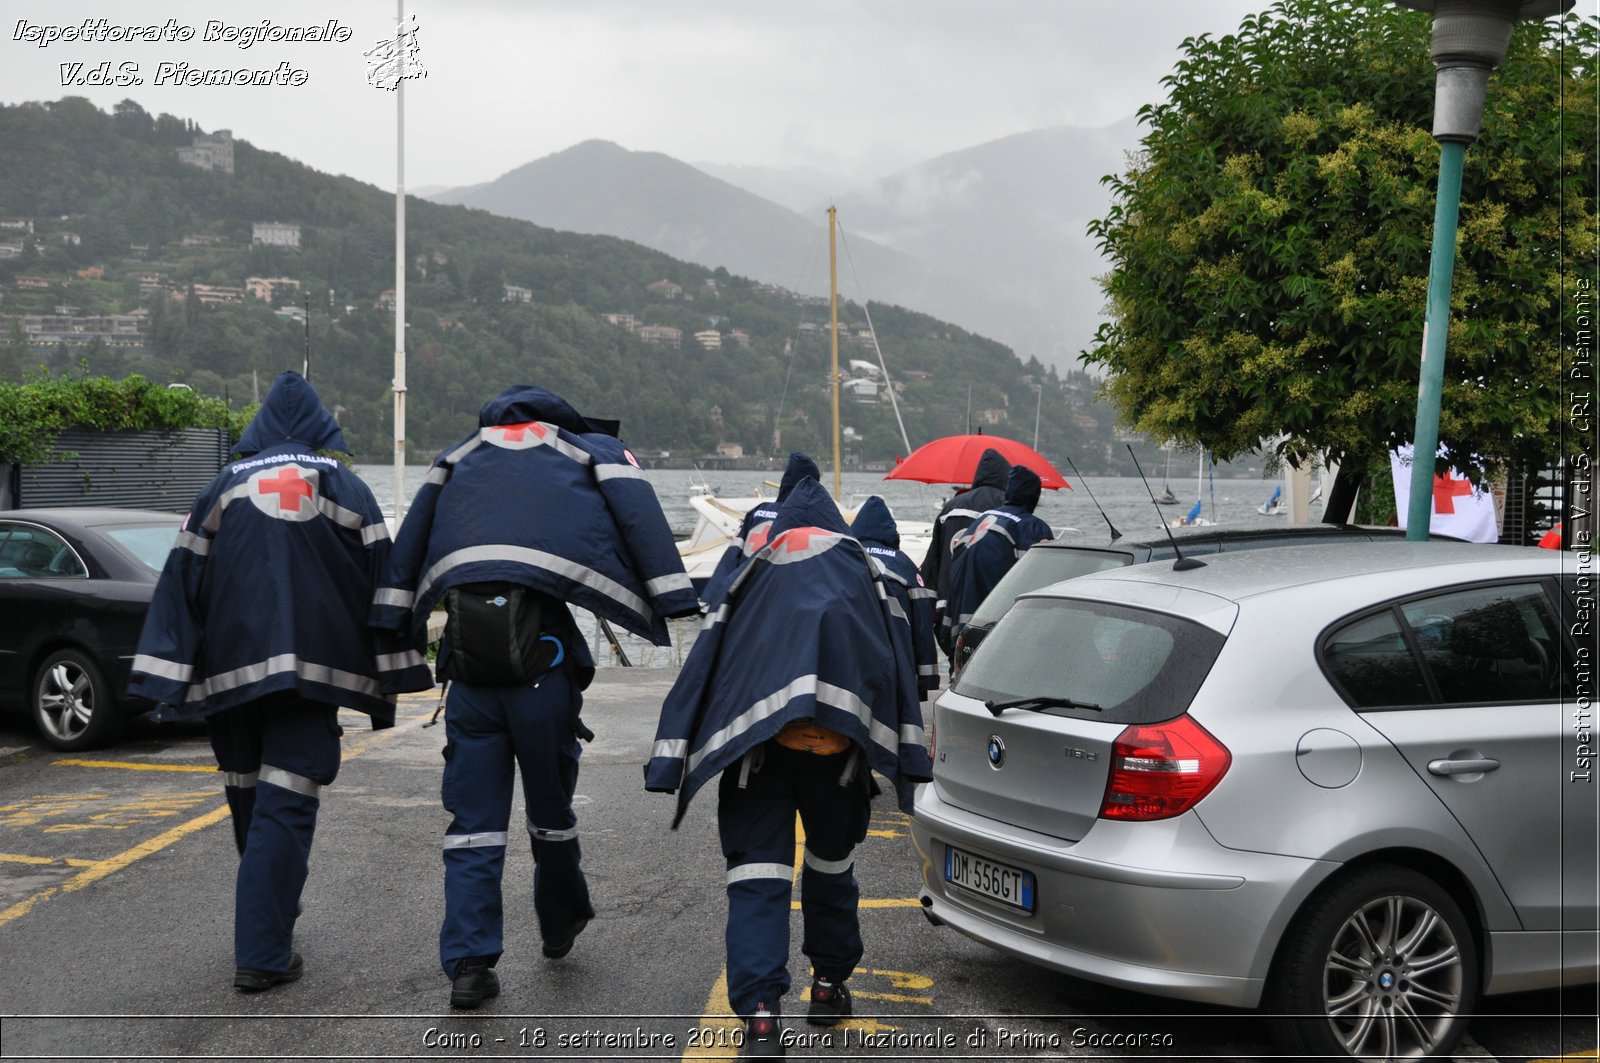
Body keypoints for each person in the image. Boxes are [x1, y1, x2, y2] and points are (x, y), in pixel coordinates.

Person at [370, 384, 700, 1010]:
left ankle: (469, 965)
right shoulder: (575, 456)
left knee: (472, 826)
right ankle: (559, 921)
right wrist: (670, 599)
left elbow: (408, 551)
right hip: (541, 686)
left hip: (468, 684)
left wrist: (396, 628)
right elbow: (632, 514)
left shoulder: (459, 459)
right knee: (550, 817)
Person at [128, 370, 413, 993]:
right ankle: (262, 951)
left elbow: (180, 582)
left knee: (249, 798)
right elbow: (385, 586)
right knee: (285, 805)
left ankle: (271, 919)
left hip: (229, 679)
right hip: (312, 677)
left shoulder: (218, 490)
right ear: (321, 429)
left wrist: (163, 678)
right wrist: (390, 678)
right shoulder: (348, 487)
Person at [646, 476, 932, 1058]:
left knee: (757, 882)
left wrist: (671, 756)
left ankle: (759, 1019)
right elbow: (894, 661)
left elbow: (710, 659)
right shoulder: (863, 574)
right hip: (839, 764)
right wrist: (906, 755)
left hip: (759, 759)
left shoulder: (754, 572)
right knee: (830, 871)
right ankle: (828, 987)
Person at [943, 464, 1054, 654]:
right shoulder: (1030, 527)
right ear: (1033, 495)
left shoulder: (982, 520)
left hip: (962, 627)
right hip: (997, 630)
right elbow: (1041, 579)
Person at [918, 447, 1010, 661]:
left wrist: (930, 605)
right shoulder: (1007, 508)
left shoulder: (951, 508)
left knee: (957, 664)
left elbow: (933, 560)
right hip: (991, 606)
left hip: (947, 607)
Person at [850, 495, 939, 700]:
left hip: (853, 662)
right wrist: (926, 679)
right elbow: (922, 623)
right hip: (896, 663)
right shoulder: (904, 564)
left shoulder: (845, 556)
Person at [702, 451, 820, 600]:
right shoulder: (807, 518)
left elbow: (732, 555)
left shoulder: (757, 512)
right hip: (776, 596)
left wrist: (711, 598)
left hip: (744, 593)